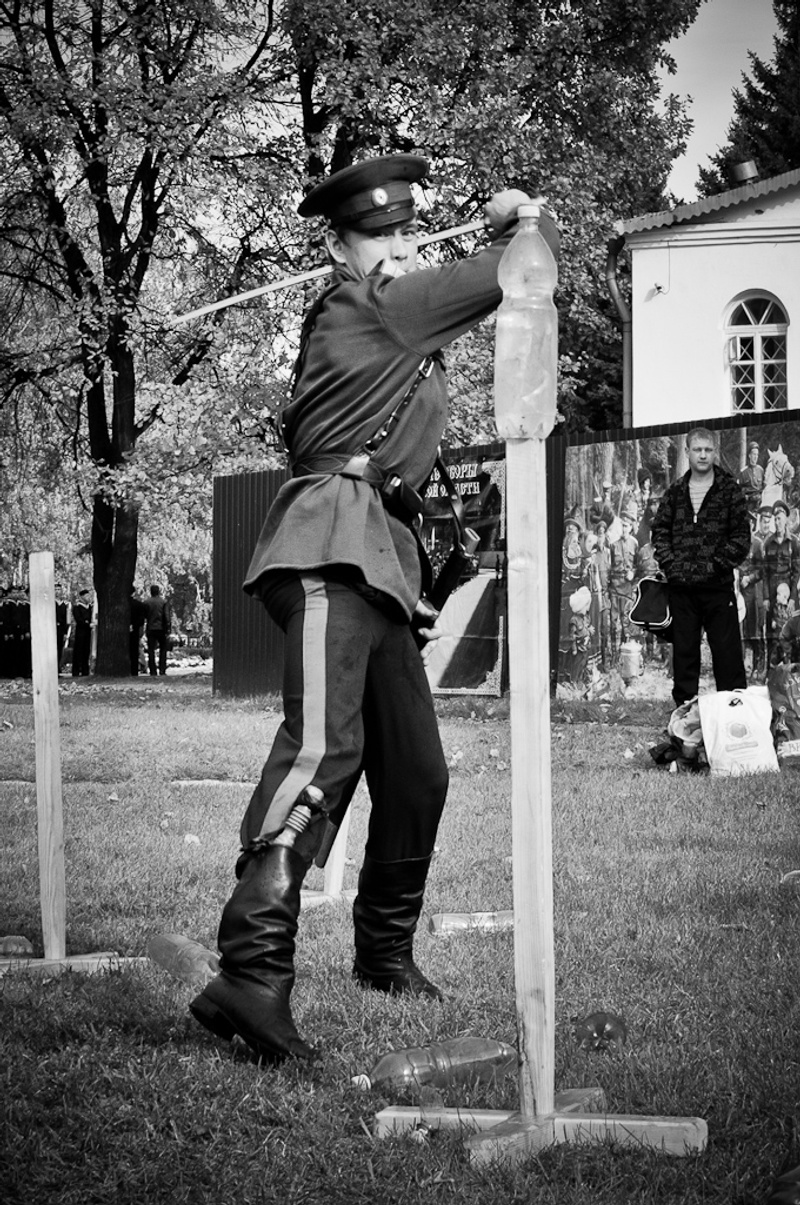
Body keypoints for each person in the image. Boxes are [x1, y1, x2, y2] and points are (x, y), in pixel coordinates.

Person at [188, 153, 559, 1065]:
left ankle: (383, 955)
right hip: (329, 546)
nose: (396, 248)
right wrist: (521, 215)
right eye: (376, 235)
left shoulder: (390, 315)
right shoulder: (375, 308)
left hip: (376, 562)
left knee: (418, 770)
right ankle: (250, 972)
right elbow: (516, 271)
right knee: (324, 750)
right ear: (339, 249)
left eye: (406, 233)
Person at [651, 427, 750, 707]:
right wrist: (673, 567)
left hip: (718, 589)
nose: (703, 455)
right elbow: (660, 533)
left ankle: (734, 715)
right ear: (687, 452)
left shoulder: (730, 490)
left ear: (715, 452)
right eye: (697, 449)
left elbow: (741, 537)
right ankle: (684, 718)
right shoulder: (675, 493)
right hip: (682, 590)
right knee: (685, 658)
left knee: (728, 657)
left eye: (708, 449)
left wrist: (716, 566)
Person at [143, 585, 171, 676]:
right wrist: (168, 628)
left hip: (151, 628)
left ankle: (153, 670)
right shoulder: (164, 602)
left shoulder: (146, 603)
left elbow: (144, 616)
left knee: (151, 650)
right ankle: (162, 669)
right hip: (161, 628)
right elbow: (167, 616)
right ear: (159, 591)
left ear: (151, 592)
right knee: (163, 649)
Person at [738, 440, 764, 516]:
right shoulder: (743, 472)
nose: (756, 457)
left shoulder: (761, 470)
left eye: (757, 455)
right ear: (749, 455)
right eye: (754, 454)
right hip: (748, 506)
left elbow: (764, 488)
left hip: (760, 505)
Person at [71, 589, 93, 677]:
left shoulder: (90, 607)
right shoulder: (77, 607)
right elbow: (79, 619)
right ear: (82, 597)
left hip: (88, 632)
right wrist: (87, 623)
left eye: (89, 596)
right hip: (80, 632)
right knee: (78, 651)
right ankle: (76, 671)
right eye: (87, 596)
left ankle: (85, 670)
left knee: (86, 651)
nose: (89, 597)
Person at [129, 589, 147, 675]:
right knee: (134, 651)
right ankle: (134, 670)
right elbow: (141, 620)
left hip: (124, 630)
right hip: (135, 630)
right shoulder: (139, 605)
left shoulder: (121, 605)